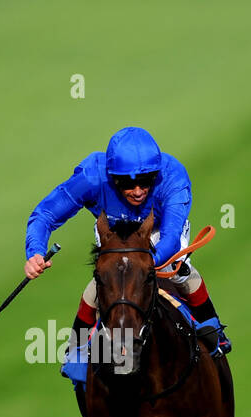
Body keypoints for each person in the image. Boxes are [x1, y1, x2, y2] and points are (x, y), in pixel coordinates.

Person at [25, 126, 230, 359]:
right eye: (127, 183)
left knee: (178, 271)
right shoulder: (91, 177)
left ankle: (214, 329)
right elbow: (45, 215)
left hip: (158, 231)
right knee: (103, 280)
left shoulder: (173, 176)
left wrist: (145, 263)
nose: (138, 190)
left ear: (157, 173)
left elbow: (171, 238)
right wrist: (35, 252)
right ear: (112, 176)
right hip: (115, 231)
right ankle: (76, 350)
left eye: (146, 181)